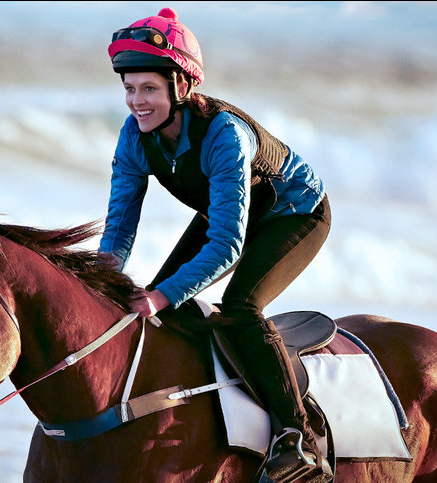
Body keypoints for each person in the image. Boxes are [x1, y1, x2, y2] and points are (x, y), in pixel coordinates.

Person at [98, 7, 333, 483]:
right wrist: (102, 280)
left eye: (148, 89)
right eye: (129, 88)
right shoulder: (132, 137)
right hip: (227, 214)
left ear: (181, 87)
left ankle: (297, 437)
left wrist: (162, 293)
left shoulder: (225, 133)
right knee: (160, 305)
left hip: (294, 214)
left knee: (239, 307)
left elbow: (227, 245)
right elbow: (120, 229)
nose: (135, 101)